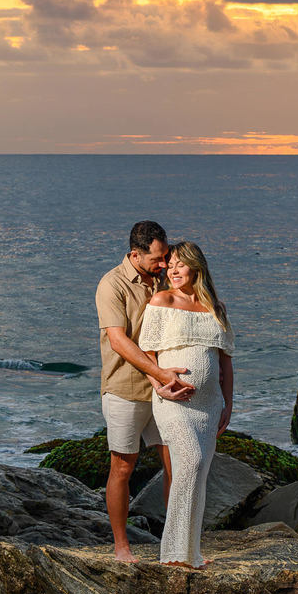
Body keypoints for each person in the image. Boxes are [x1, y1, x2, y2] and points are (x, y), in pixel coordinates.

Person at [96, 221, 195, 563]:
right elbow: (118, 340)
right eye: (158, 258)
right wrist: (158, 373)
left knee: (175, 463)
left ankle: (175, 543)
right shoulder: (112, 284)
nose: (165, 264)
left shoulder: (165, 279)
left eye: (167, 257)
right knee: (123, 467)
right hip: (125, 388)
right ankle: (122, 546)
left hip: (165, 389)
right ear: (135, 254)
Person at [138, 241, 234, 568]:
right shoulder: (161, 300)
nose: (173, 270)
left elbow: (225, 363)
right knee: (190, 462)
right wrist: (160, 386)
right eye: (171, 265)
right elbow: (147, 354)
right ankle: (173, 553)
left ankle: (190, 552)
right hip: (171, 400)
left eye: (180, 264)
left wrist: (228, 404)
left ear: (196, 267)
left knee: (199, 474)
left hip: (209, 405)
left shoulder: (216, 308)